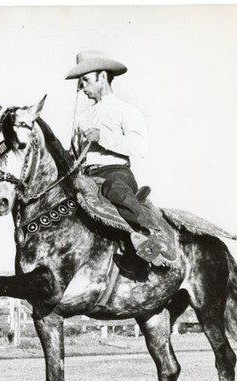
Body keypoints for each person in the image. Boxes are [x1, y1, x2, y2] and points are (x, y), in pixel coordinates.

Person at [65, 50, 168, 273]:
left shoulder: (127, 111)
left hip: (116, 173)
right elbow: (73, 152)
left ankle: (149, 238)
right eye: (80, 83)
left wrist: (102, 137)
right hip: (86, 176)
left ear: (102, 77)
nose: (82, 87)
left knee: (115, 190)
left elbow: (139, 148)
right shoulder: (81, 119)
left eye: (86, 80)